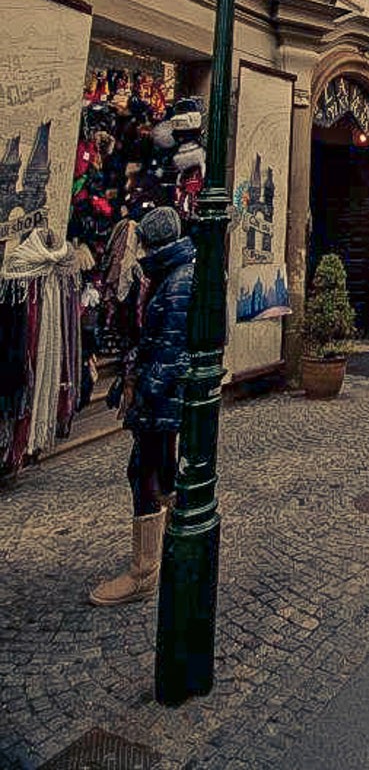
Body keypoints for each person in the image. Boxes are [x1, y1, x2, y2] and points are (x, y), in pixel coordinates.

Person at [90, 206, 195, 607]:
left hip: (163, 398)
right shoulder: (172, 275)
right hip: (160, 395)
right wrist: (126, 383)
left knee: (147, 471)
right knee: (155, 469)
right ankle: (165, 550)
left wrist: (142, 395)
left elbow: (170, 350)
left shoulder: (176, 279)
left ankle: (144, 571)